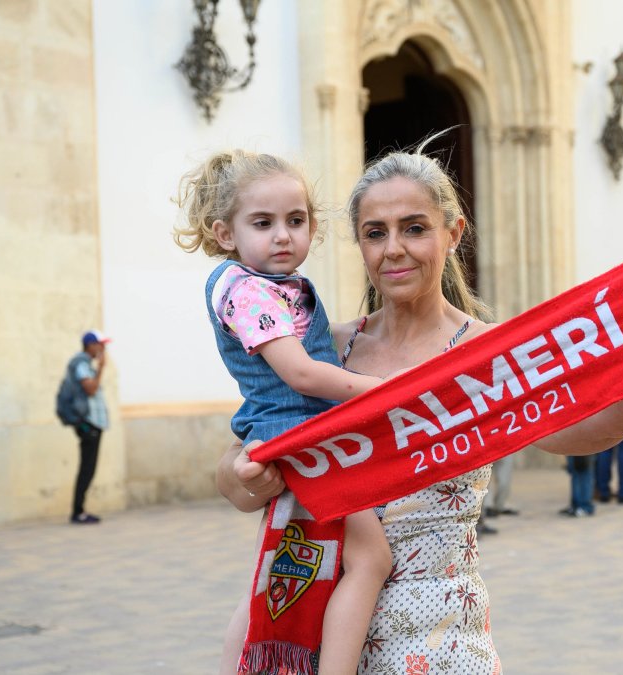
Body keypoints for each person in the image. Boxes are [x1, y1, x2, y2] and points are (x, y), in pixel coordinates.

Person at [215, 142, 623, 673]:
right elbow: (235, 473)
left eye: (414, 228)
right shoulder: (324, 350)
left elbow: (588, 431)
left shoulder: (485, 355)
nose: (393, 249)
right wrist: (248, 476)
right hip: (317, 633)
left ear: (452, 234)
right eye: (375, 233)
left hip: (439, 642)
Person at [173, 150, 392, 675]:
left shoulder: (273, 287)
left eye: (296, 221)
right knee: (369, 560)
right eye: (263, 223)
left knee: (274, 571)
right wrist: (383, 390)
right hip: (300, 435)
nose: (282, 236)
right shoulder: (247, 292)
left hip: (294, 434)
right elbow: (301, 374)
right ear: (224, 233)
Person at [66, 330, 110, 525]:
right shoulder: (82, 363)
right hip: (88, 425)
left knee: (88, 468)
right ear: (91, 345)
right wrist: (101, 368)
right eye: (101, 344)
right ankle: (78, 512)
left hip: (91, 424)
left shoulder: (84, 363)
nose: (103, 348)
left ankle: (79, 510)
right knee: (87, 468)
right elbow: (90, 389)